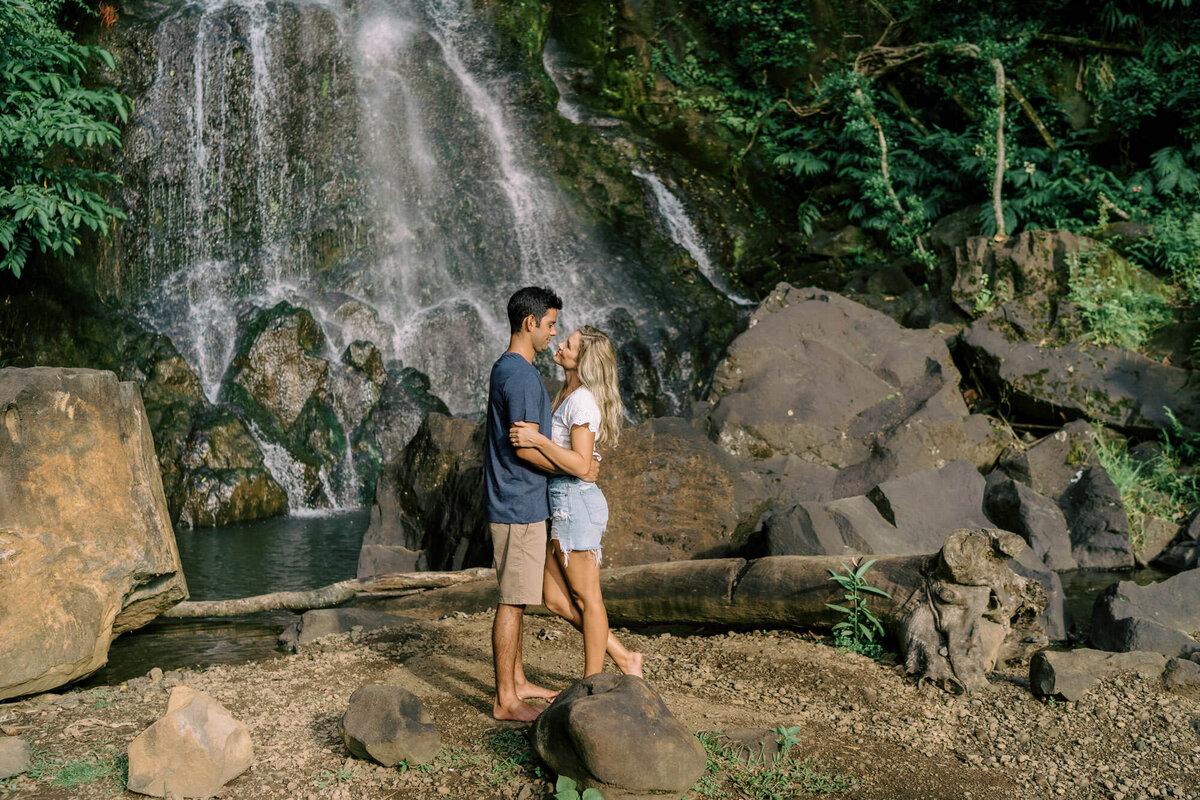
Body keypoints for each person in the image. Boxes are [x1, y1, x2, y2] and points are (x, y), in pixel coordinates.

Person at [510, 325, 642, 679]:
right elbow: (582, 463)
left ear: (582, 361)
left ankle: (592, 683)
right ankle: (624, 657)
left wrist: (537, 440)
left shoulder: (582, 400)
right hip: (562, 503)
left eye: (568, 345)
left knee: (588, 599)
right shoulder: (567, 394)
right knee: (554, 598)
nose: (559, 344)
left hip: (576, 504)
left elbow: (582, 466)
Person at [484, 286, 587, 722]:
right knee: (511, 601)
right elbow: (525, 447)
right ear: (530, 323)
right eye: (550, 325)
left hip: (515, 500)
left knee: (520, 597)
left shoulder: (507, 367)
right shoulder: (523, 375)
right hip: (518, 504)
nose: (553, 334)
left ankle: (519, 680)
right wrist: (572, 471)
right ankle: (506, 699)